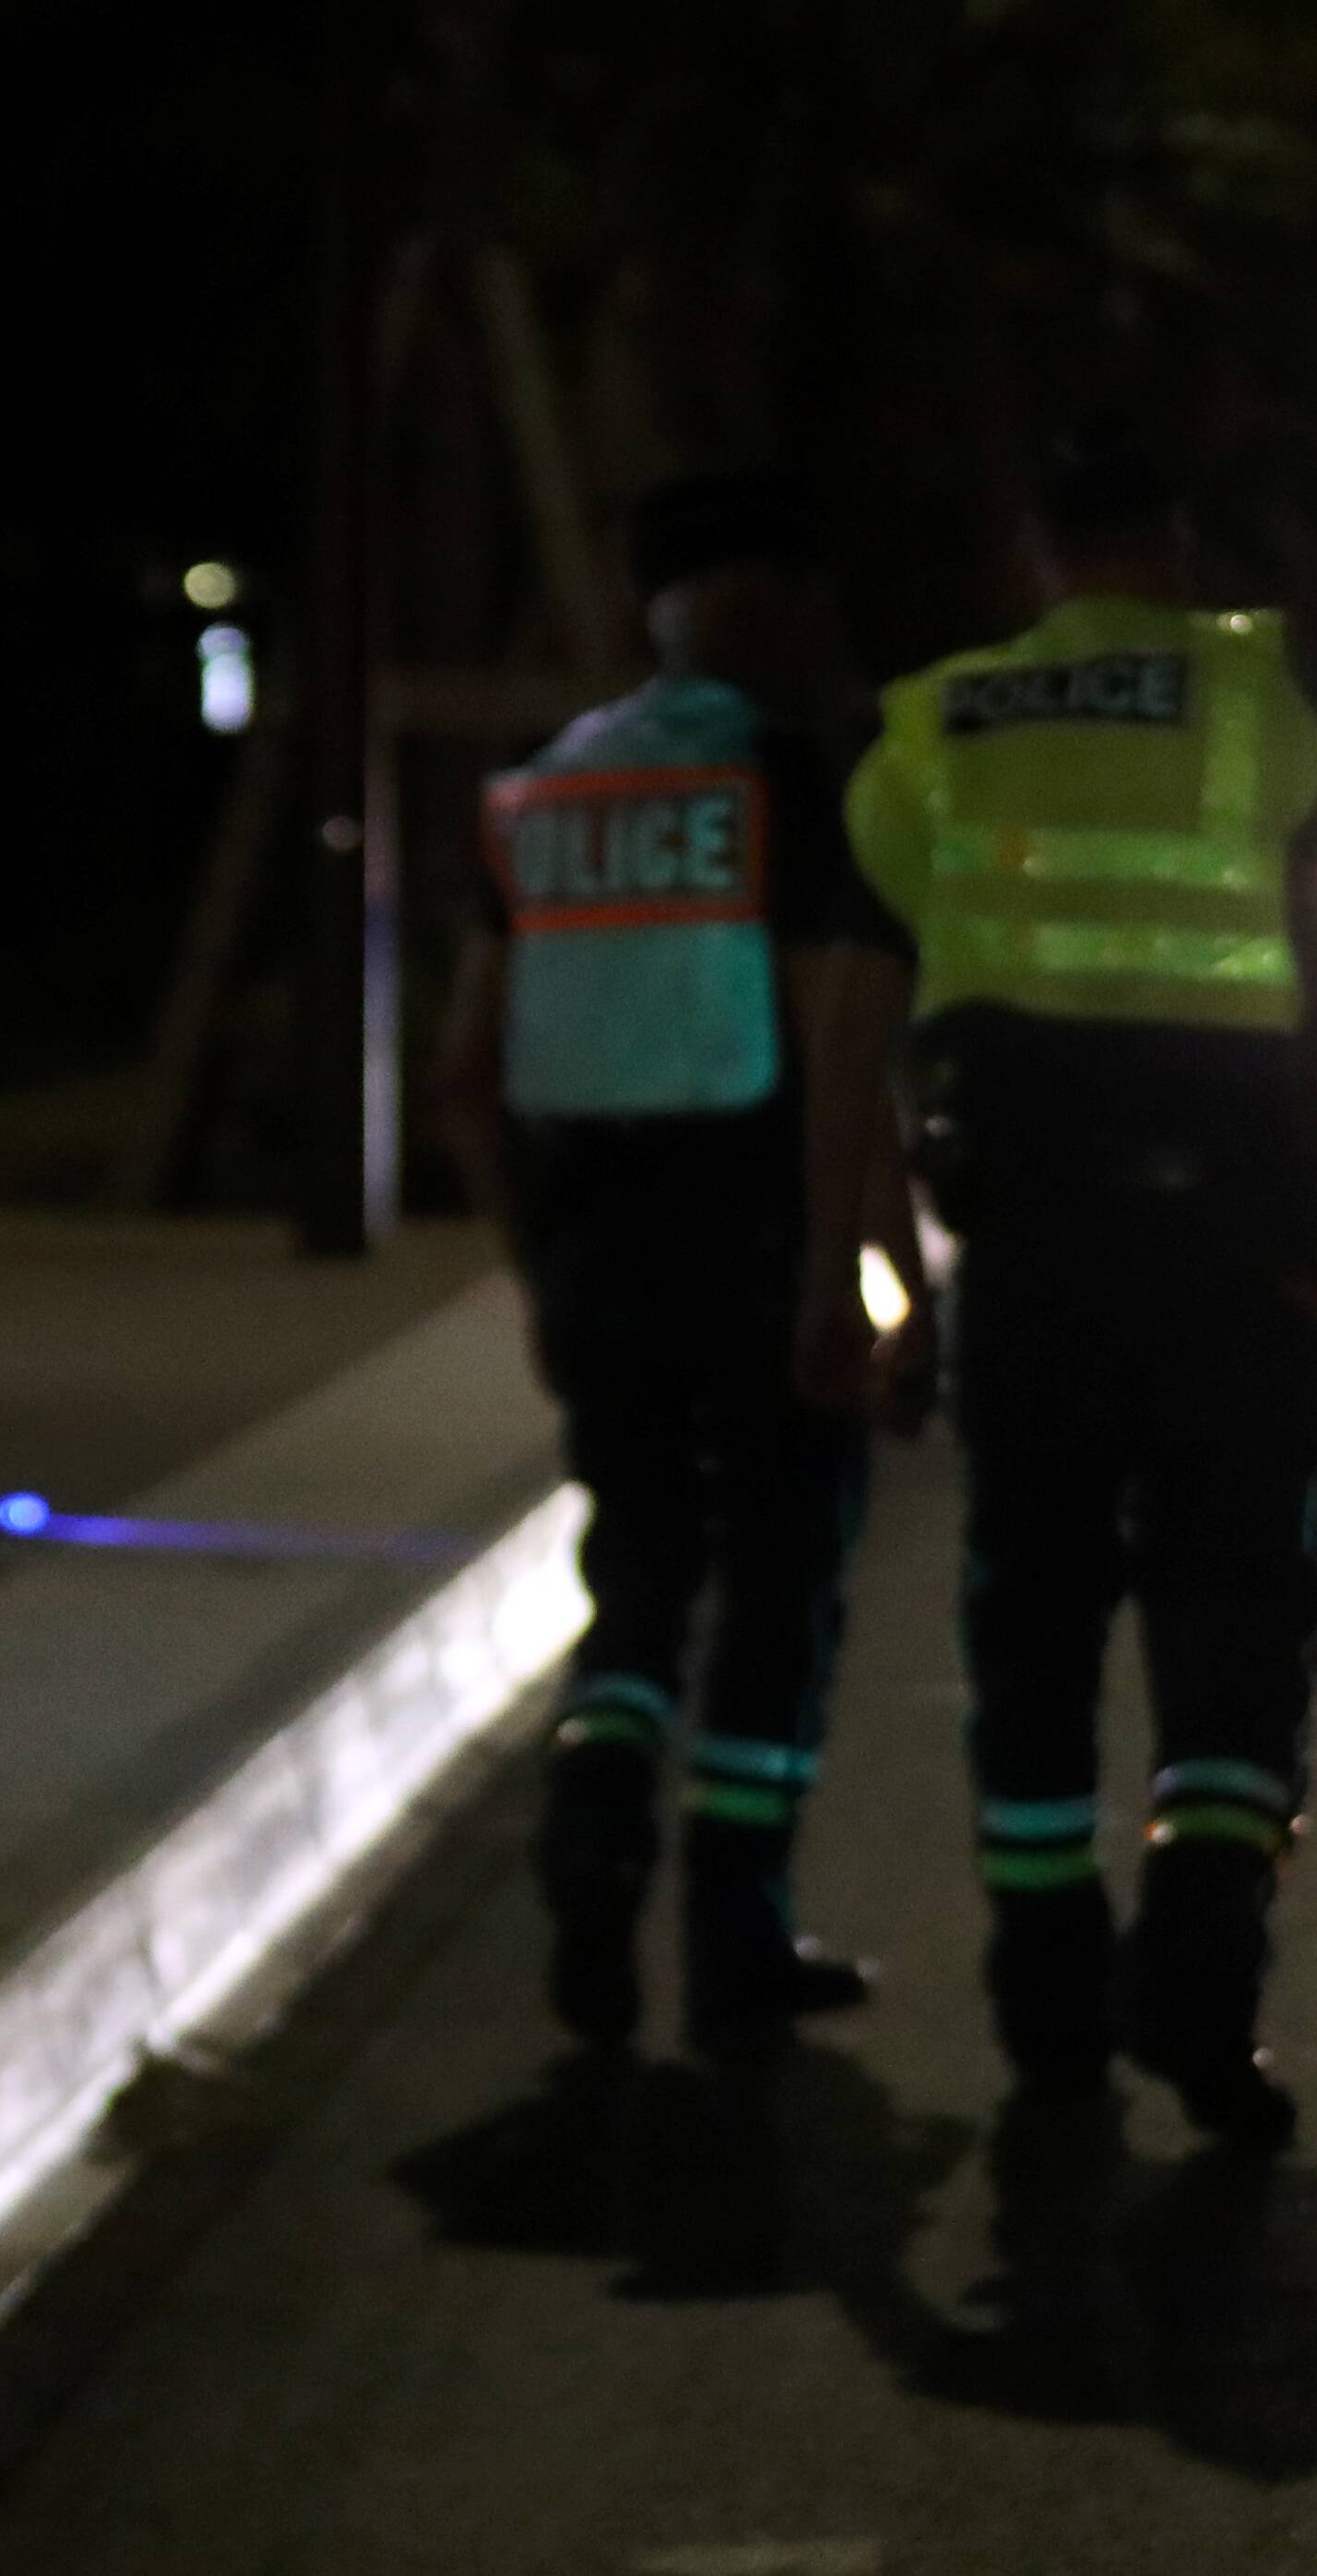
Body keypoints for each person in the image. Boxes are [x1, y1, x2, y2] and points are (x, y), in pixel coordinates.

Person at [842, 431, 1317, 2139]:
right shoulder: (1272, 710)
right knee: (1237, 1605)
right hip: (1239, 1245)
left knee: (1029, 1617)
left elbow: (849, 1022)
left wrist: (873, 1267)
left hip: (1029, 1248)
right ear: (1173, 546)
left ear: (1038, 551)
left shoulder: (930, 724)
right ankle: (1203, 1968)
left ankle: (1047, 2015)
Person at [429, 472, 927, 2061]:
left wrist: (531, 1263)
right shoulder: (784, 773)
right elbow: (840, 1045)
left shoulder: (538, 788)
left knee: (636, 1566)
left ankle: (591, 1815)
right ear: (750, 603)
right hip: (753, 1229)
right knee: (779, 1579)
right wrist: (853, 1271)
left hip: (590, 1241)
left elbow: (461, 1069)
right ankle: (734, 1932)